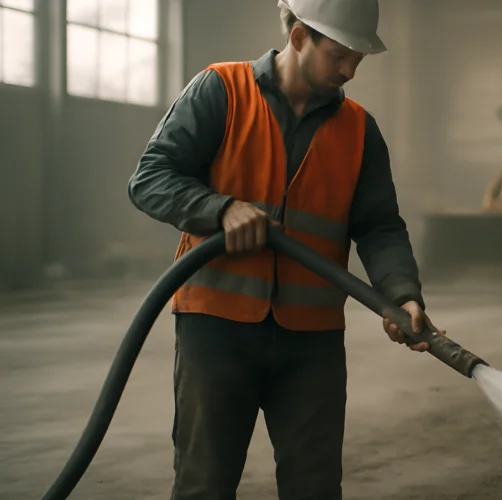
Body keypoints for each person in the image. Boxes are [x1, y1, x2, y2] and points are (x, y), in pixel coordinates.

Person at [127, 0, 440, 498]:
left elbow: (380, 226)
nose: (349, 71)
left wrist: (402, 292)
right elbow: (150, 180)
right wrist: (219, 209)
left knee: (314, 486)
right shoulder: (222, 90)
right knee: (204, 482)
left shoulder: (360, 130)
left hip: (310, 340)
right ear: (298, 38)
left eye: (358, 59)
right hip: (217, 328)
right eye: (340, 55)